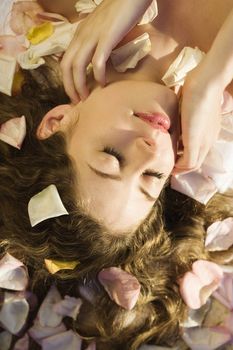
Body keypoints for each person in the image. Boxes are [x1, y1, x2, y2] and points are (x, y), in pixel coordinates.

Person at [0, 0, 232, 349]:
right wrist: (214, 74)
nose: (149, 149)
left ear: (57, 122)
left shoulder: (50, 14)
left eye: (111, 158)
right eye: (152, 177)